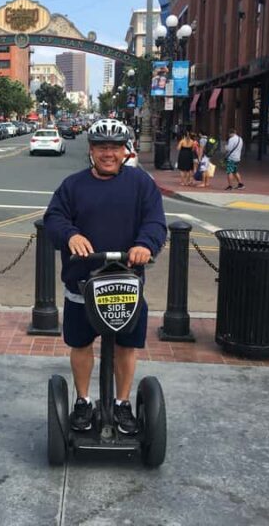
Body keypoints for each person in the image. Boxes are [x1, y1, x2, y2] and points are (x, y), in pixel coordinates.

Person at [43, 119, 167, 435]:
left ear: (125, 151)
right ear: (91, 150)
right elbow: (54, 218)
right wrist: (70, 235)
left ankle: (123, 404)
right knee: (81, 343)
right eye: (102, 147)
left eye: (115, 147)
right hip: (81, 283)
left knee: (126, 346)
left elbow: (155, 222)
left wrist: (144, 244)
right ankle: (83, 400)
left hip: (125, 282)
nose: (108, 153)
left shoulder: (141, 184)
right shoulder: (72, 186)